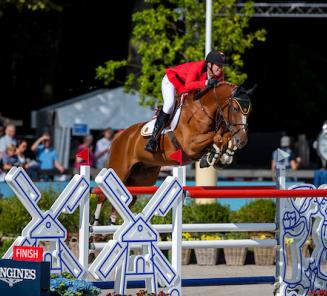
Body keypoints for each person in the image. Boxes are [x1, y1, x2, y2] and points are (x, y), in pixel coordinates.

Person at [144, 50, 226, 153]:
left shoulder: (220, 75)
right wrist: (206, 82)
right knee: (169, 105)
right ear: (209, 64)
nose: (220, 68)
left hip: (188, 89)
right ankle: (153, 140)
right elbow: (188, 85)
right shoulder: (197, 67)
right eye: (218, 65)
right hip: (172, 81)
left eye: (221, 66)